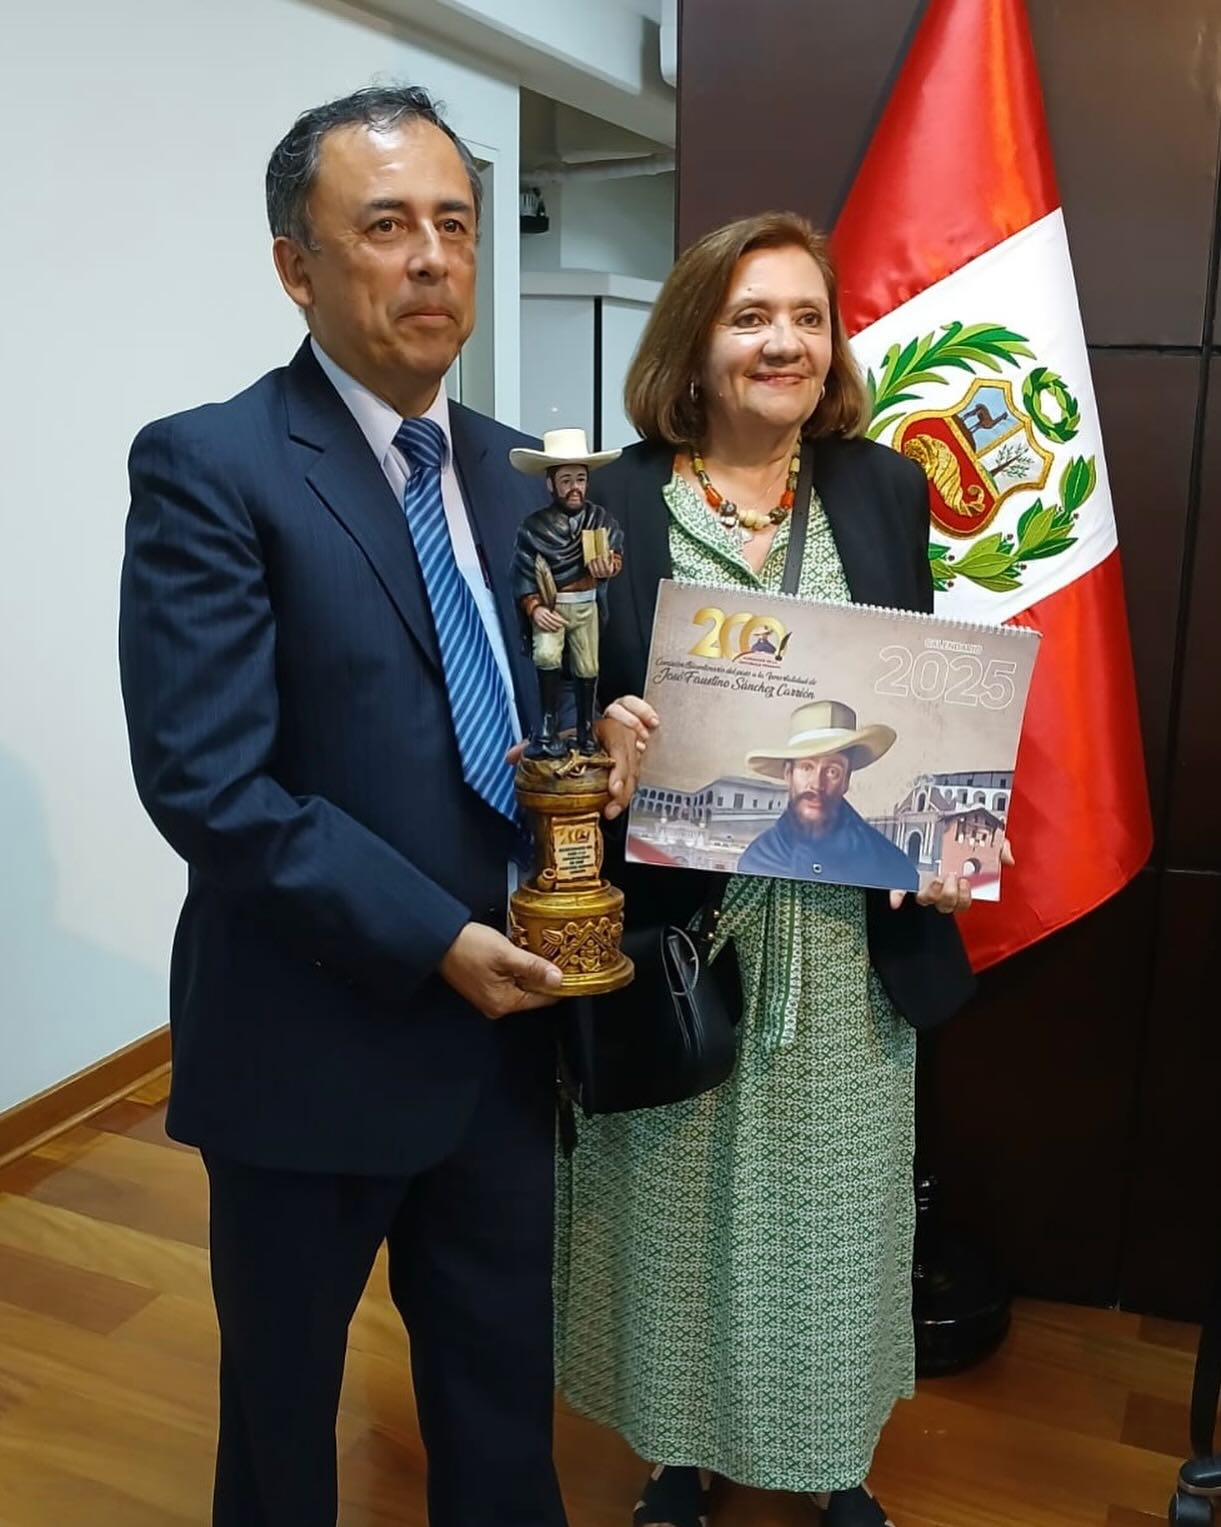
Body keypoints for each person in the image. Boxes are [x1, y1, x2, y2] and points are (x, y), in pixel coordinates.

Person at [118, 85, 647, 1527]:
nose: (431, 259)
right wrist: (438, 939)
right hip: (314, 1037)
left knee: (497, 1404)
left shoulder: (514, 468)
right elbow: (211, 784)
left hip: (512, 1035)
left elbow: (539, 696)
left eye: (455, 224)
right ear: (297, 263)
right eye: (386, 226)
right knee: (282, 1430)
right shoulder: (211, 466)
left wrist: (604, 745)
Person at [555, 212, 1010, 1527]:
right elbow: (561, 693)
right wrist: (602, 732)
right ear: (695, 341)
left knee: (831, 1227)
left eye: (808, 316)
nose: (784, 342)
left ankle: (828, 1455)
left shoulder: (882, 488)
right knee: (675, 1223)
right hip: (688, 935)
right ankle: (674, 1457)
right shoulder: (618, 502)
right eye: (753, 315)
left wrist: (942, 830)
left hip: (844, 936)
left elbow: (918, 694)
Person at [510, 429, 625, 756]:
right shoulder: (533, 528)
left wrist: (610, 567)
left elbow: (614, 553)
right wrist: (534, 608)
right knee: (546, 656)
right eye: (566, 480)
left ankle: (587, 729)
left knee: (587, 666)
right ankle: (547, 728)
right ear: (550, 484)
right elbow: (521, 573)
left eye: (580, 479)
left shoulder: (601, 519)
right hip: (552, 607)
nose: (575, 488)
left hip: (586, 606)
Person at [737, 700, 919, 891]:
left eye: (833, 771)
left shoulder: (892, 868)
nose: (817, 784)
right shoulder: (756, 859)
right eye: (807, 767)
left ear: (846, 780)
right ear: (788, 774)